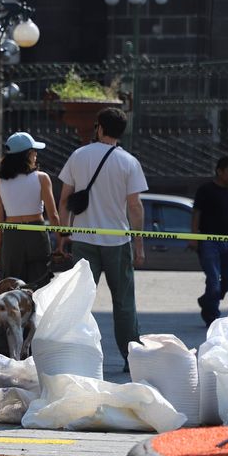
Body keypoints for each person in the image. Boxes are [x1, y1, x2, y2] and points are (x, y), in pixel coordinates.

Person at [59, 107, 148, 372]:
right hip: (117, 242)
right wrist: (139, 245)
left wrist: (63, 234)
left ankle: (74, 354)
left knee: (79, 301)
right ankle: (130, 357)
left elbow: (65, 200)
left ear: (99, 127)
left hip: (83, 240)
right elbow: (135, 207)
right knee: (124, 303)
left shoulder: (78, 156)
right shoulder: (129, 162)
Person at [0, 132, 61, 287]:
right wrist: (60, 243)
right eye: (34, 151)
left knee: (12, 287)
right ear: (28, 154)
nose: (36, 154)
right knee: (39, 286)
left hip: (12, 237)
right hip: (36, 234)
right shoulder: (42, 178)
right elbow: (54, 215)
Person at [192, 156, 228, 325]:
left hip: (227, 241)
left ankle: (206, 301)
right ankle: (212, 316)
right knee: (214, 280)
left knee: (226, 281)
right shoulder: (205, 190)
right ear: (220, 171)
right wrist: (193, 238)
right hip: (208, 242)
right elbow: (196, 214)